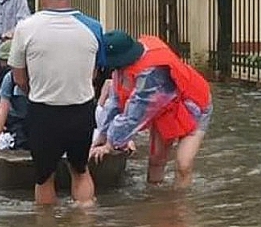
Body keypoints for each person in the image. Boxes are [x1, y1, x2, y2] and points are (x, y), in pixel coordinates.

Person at [8, 0, 107, 206]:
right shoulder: (94, 27)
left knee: (44, 178)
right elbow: (94, 72)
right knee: (81, 170)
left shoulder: (25, 28)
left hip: (43, 111)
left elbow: (18, 77)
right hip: (82, 110)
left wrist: (38, 91)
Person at [89, 30, 213, 189]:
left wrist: (111, 144)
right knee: (156, 161)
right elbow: (115, 102)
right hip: (163, 109)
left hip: (194, 105)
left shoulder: (152, 72)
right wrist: (103, 135)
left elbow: (134, 115)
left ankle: (180, 208)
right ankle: (155, 202)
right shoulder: (121, 70)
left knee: (183, 165)